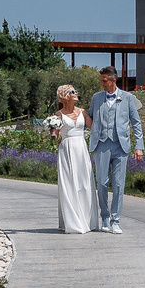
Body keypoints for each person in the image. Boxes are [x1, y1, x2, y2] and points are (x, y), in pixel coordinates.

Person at [88, 68, 145, 232]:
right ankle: (104, 218)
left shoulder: (128, 98)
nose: (102, 83)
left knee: (119, 185)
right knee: (102, 182)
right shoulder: (96, 98)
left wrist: (139, 146)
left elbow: (136, 123)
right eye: (101, 80)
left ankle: (115, 221)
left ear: (113, 80)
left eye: (104, 80)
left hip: (121, 146)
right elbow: (89, 117)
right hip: (101, 145)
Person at [43, 84, 95, 233]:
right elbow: (55, 137)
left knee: (84, 183)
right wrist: (52, 130)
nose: (76, 93)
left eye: (76, 91)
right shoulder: (58, 114)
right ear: (65, 96)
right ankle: (72, 221)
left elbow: (94, 128)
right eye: (72, 92)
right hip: (66, 148)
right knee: (69, 183)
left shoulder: (83, 112)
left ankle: (86, 220)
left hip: (81, 149)